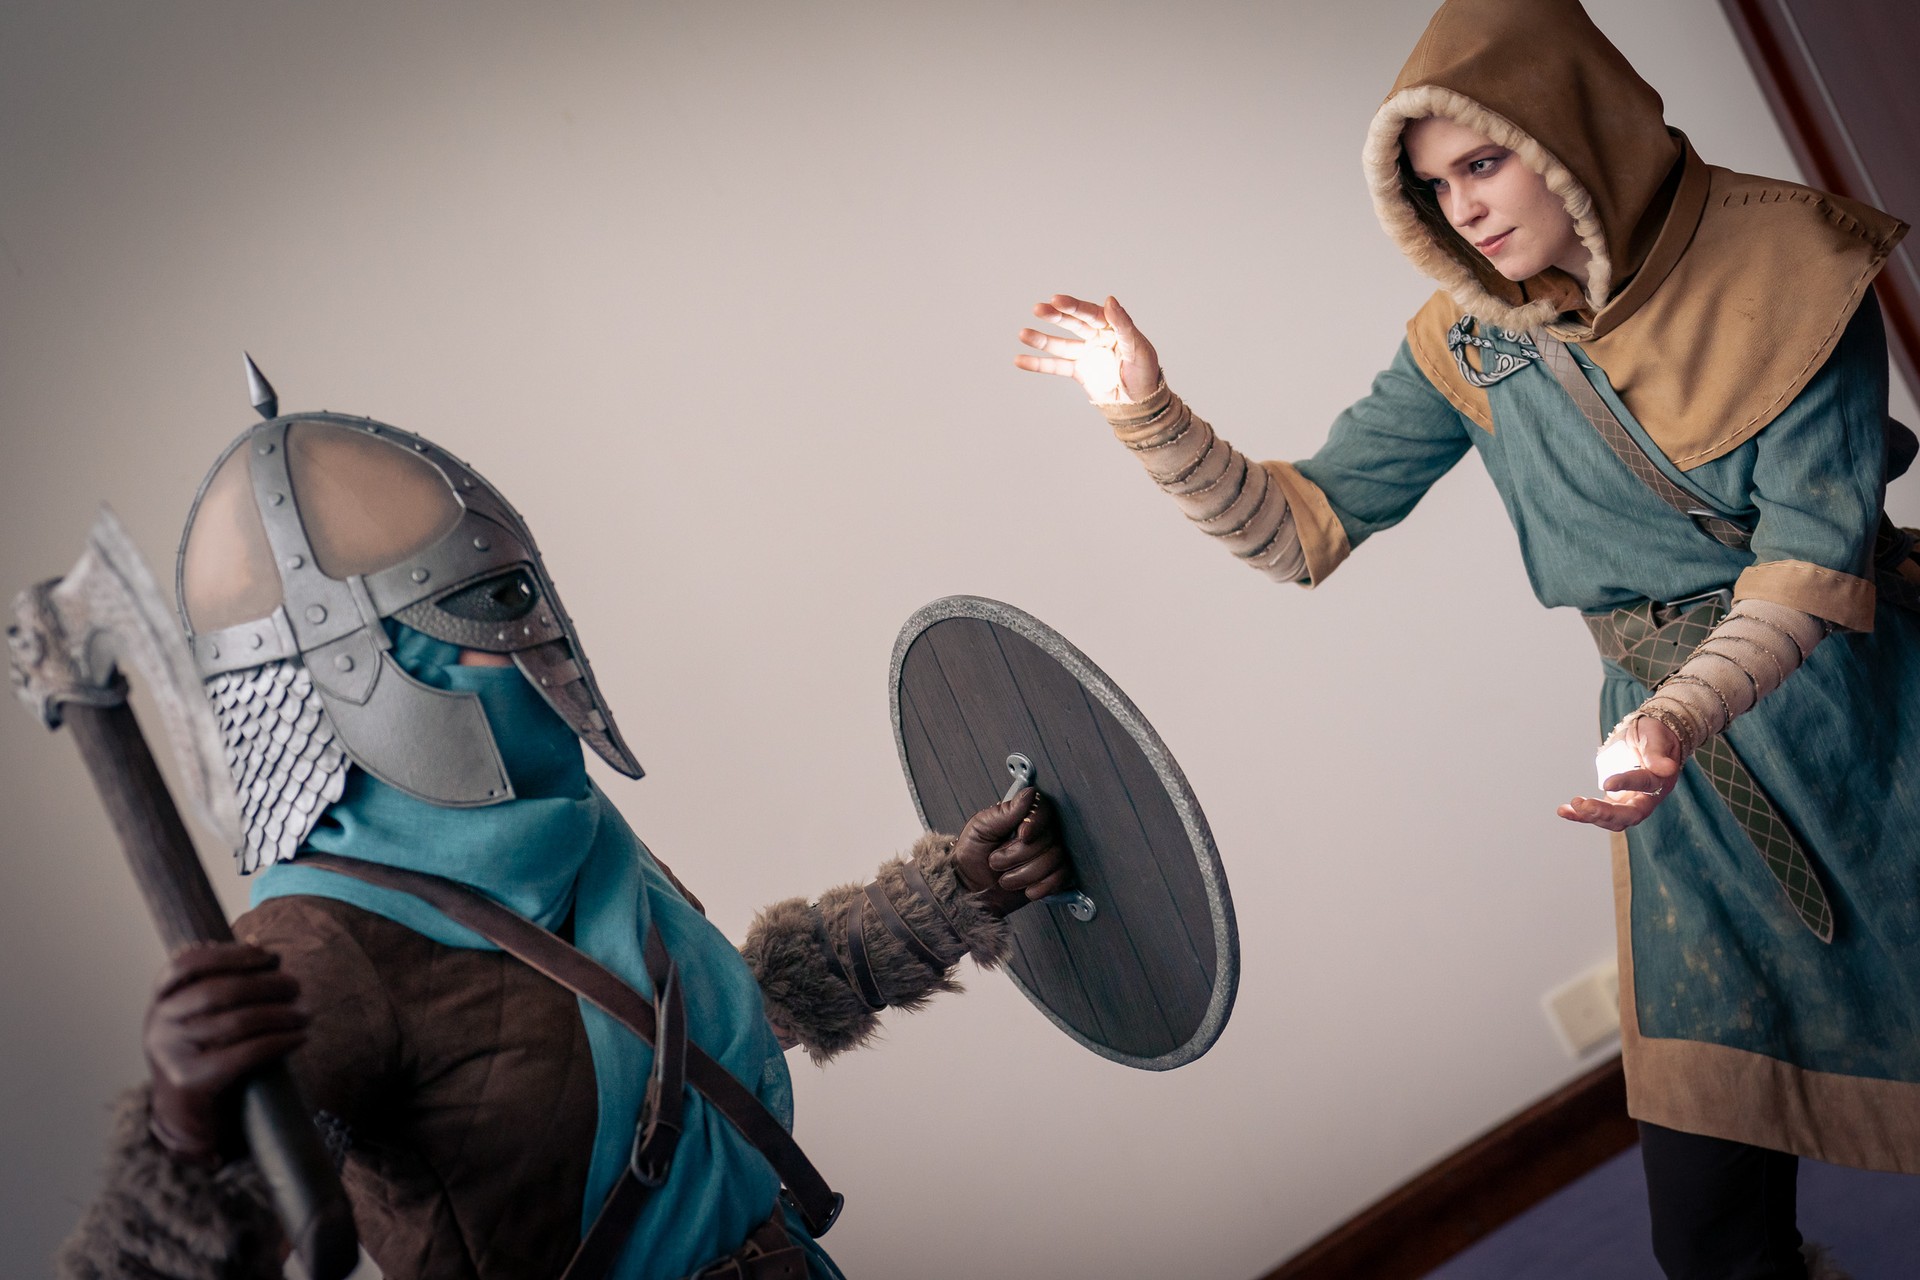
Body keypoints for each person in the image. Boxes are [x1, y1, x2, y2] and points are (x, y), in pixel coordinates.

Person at [1016, 1, 1919, 1277]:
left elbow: (1806, 569)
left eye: (1484, 162)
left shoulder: (1801, 266)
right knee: (1711, 1225)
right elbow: (1301, 527)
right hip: (1685, 798)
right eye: (1438, 186)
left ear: (1571, 130)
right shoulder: (1469, 336)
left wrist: (1676, 708)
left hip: (1868, 727)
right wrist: (1151, 412)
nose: (1466, 210)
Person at [58, 402, 1072, 1280]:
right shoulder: (317, 951)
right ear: (363, 671)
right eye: (468, 622)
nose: (524, 645)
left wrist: (950, 896)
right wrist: (182, 1140)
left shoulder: (558, 824)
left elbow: (708, 1032)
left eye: (518, 599)